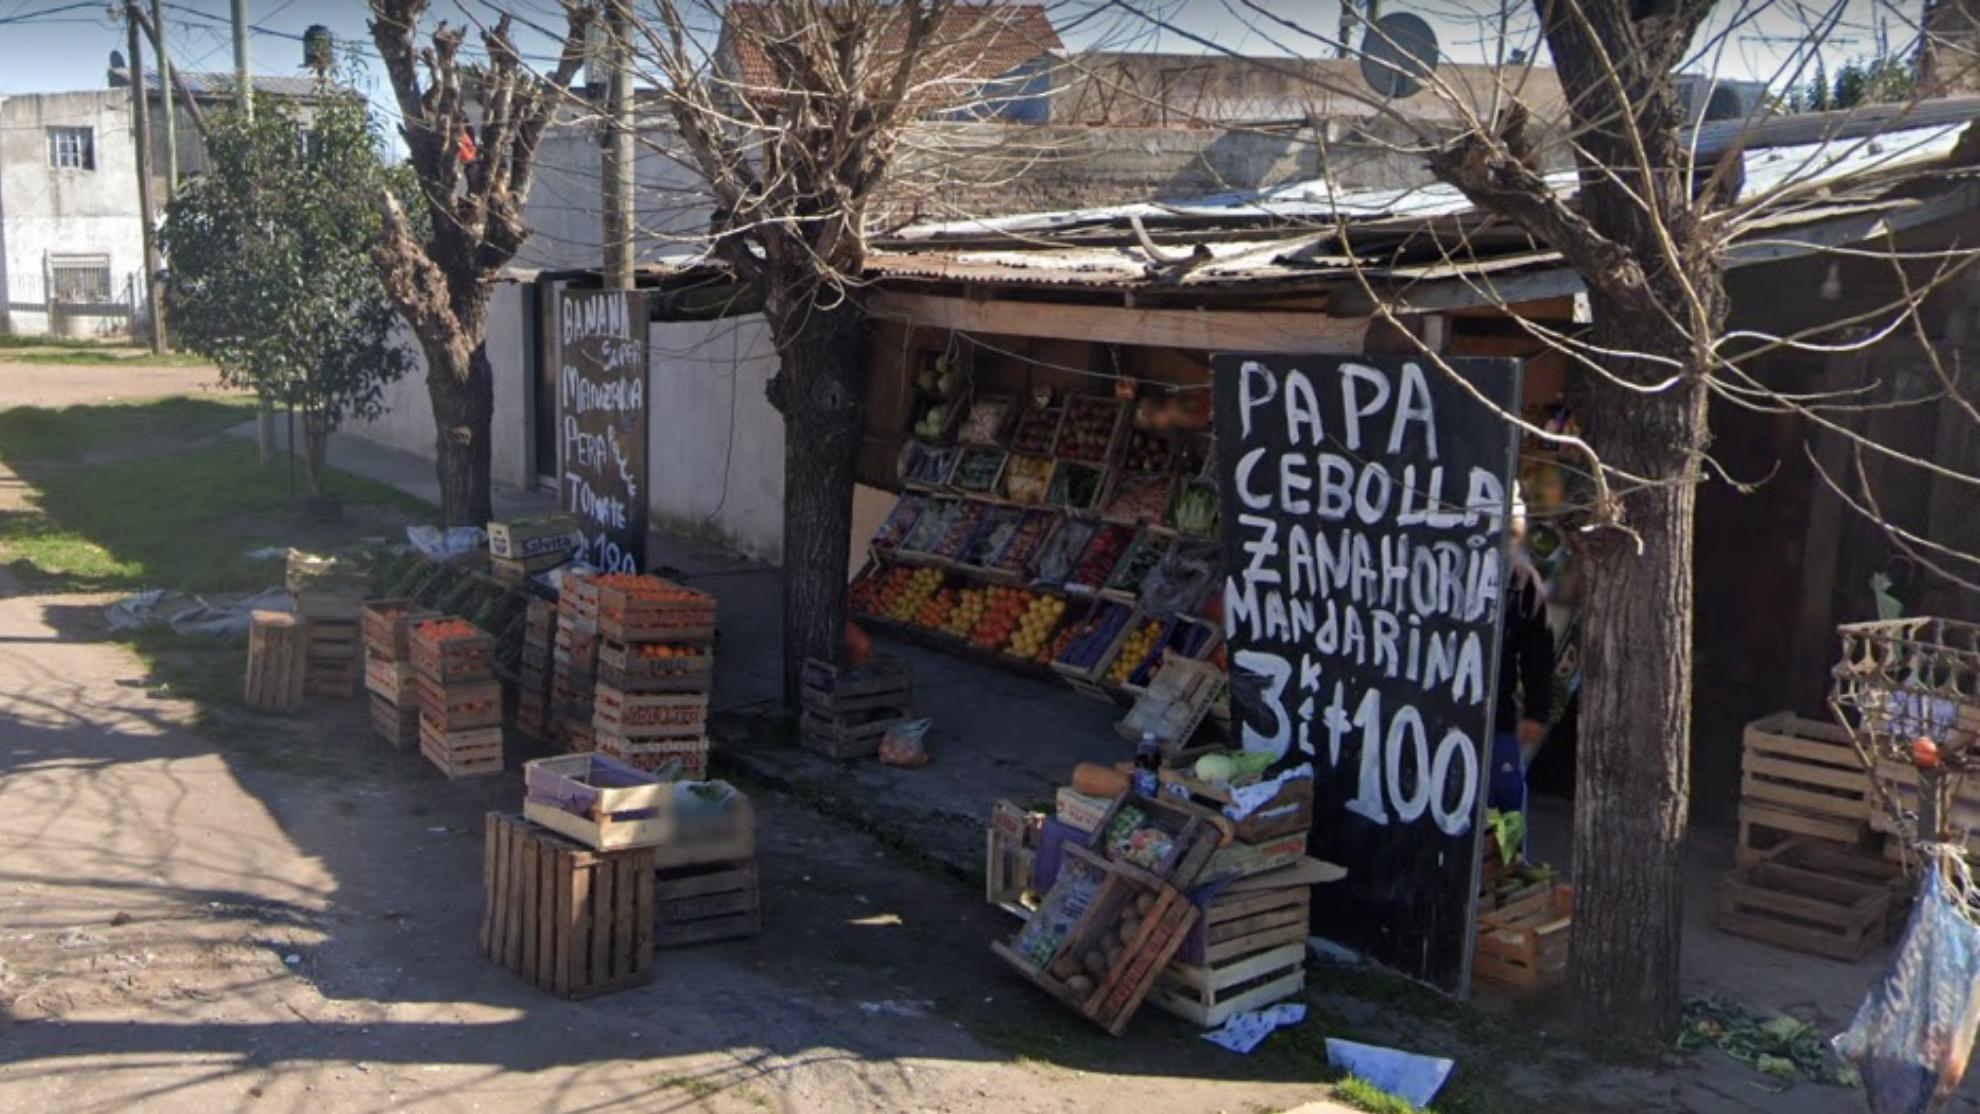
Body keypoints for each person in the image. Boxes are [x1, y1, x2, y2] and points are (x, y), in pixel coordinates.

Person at [1488, 487, 1556, 818]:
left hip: (1497, 717)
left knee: (1505, 807)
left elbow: (1538, 650)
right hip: (1450, 713)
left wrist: (1536, 711)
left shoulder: (1520, 576)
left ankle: (1505, 866)